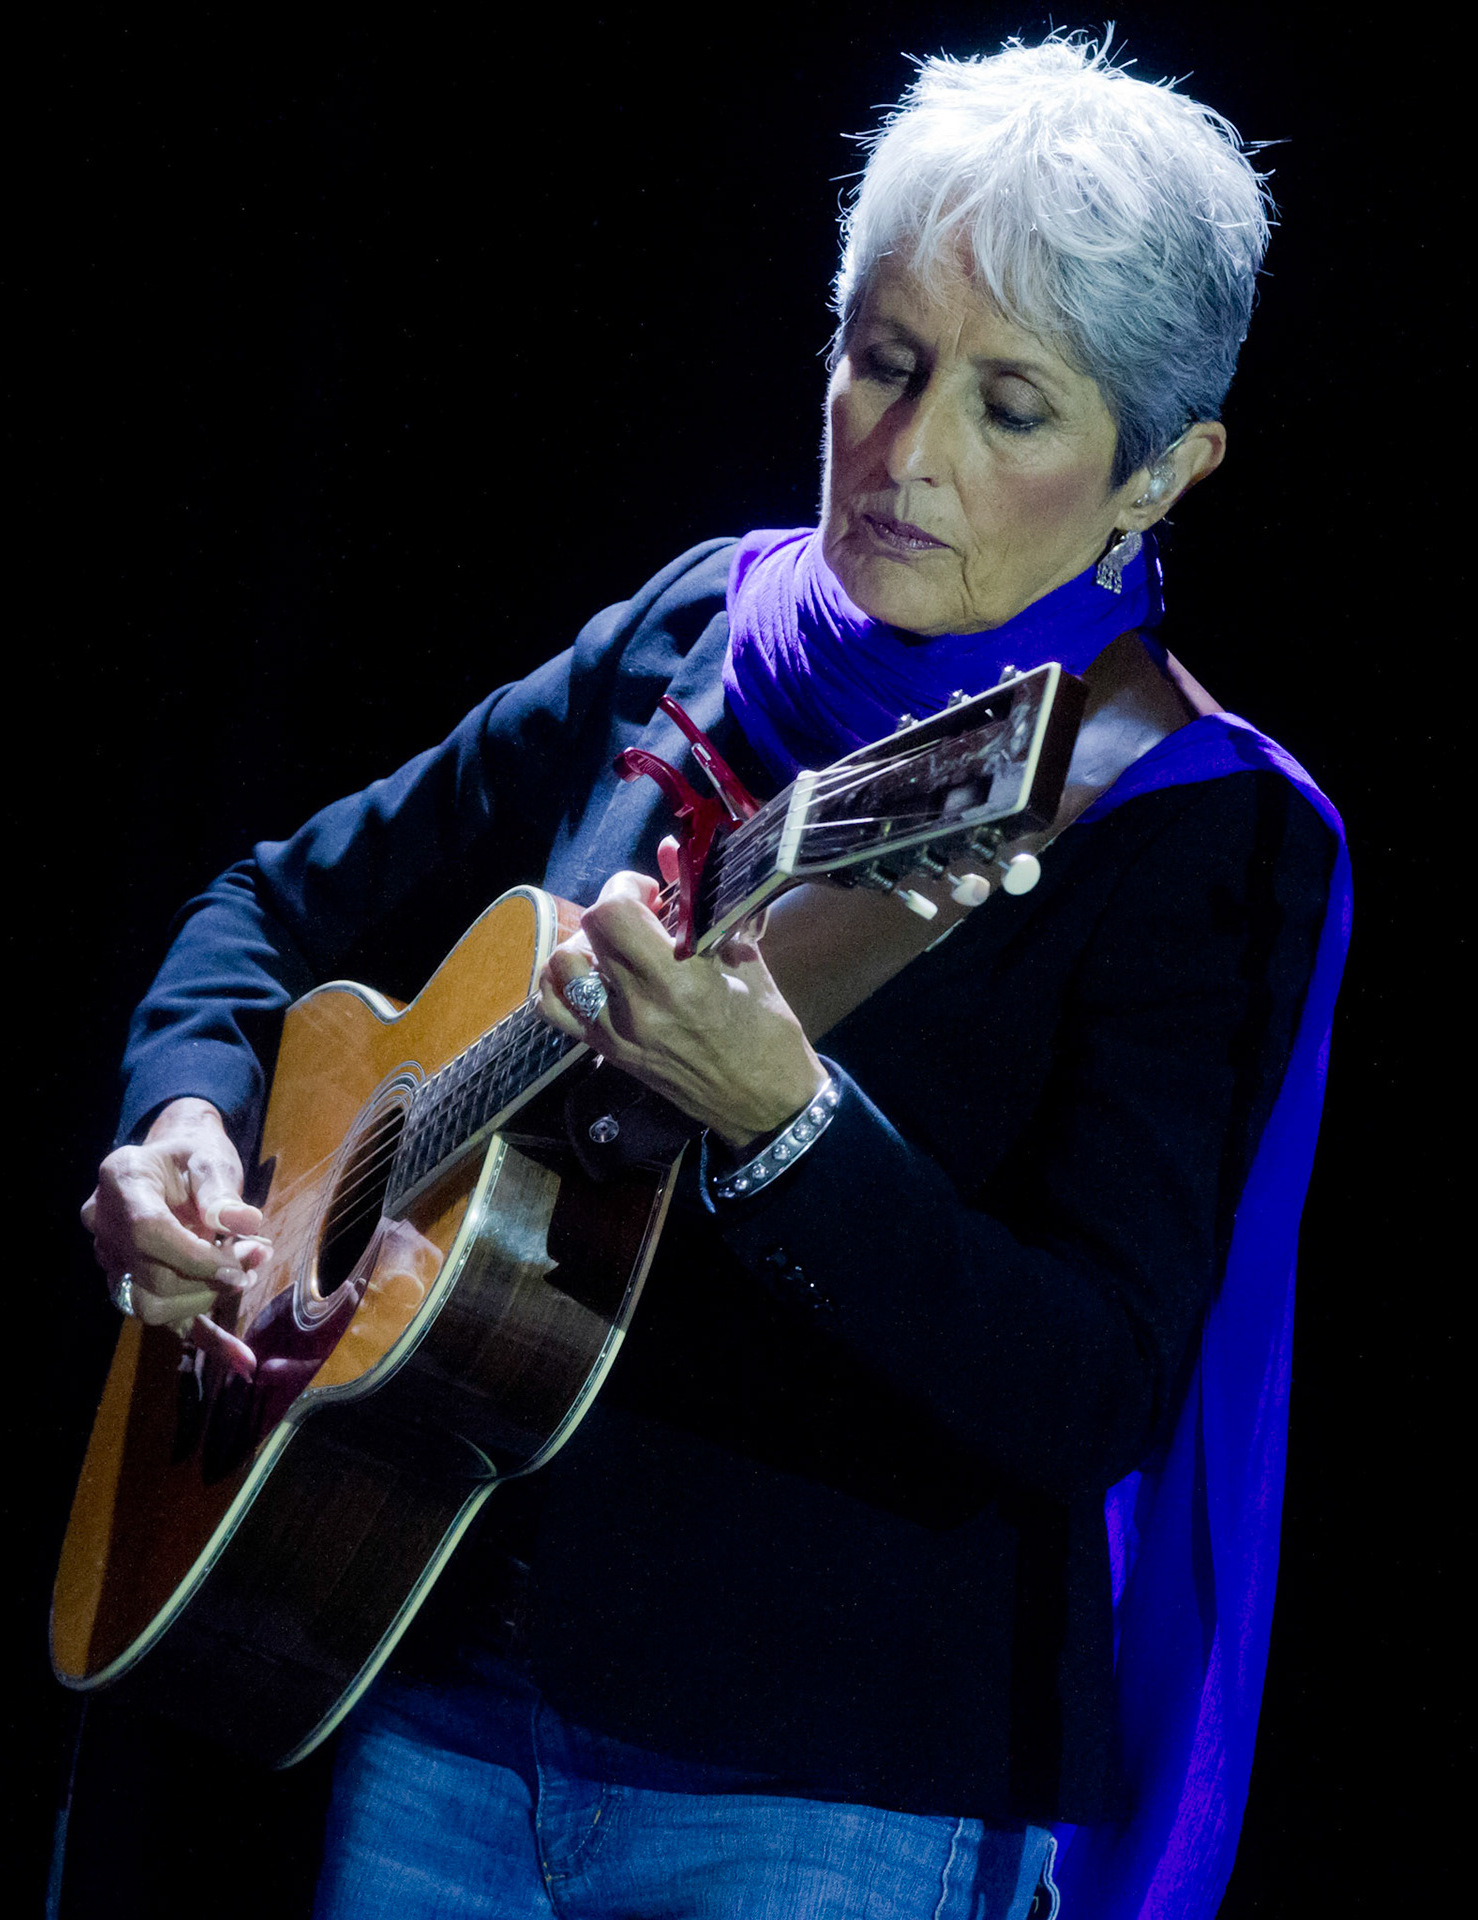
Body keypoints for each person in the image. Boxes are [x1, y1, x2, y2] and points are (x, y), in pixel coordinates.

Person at [77, 35, 1348, 1920]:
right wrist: (185, 1121)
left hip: (830, 1785)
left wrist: (784, 1123)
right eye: (883, 358)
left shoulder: (1180, 822)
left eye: (1014, 408)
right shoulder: (695, 625)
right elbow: (263, 910)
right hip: (428, 1693)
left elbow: (1092, 1393)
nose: (906, 455)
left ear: (1161, 472)